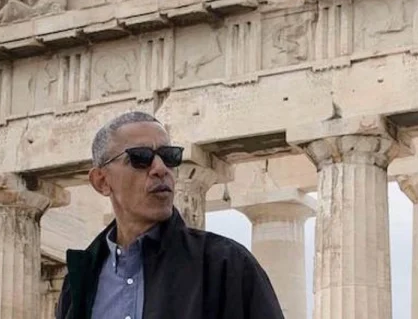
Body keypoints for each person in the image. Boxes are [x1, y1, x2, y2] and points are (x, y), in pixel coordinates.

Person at [55, 111, 285, 319]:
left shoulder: (227, 265)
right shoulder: (78, 284)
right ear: (102, 181)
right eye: (140, 158)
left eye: (169, 156)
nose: (160, 168)